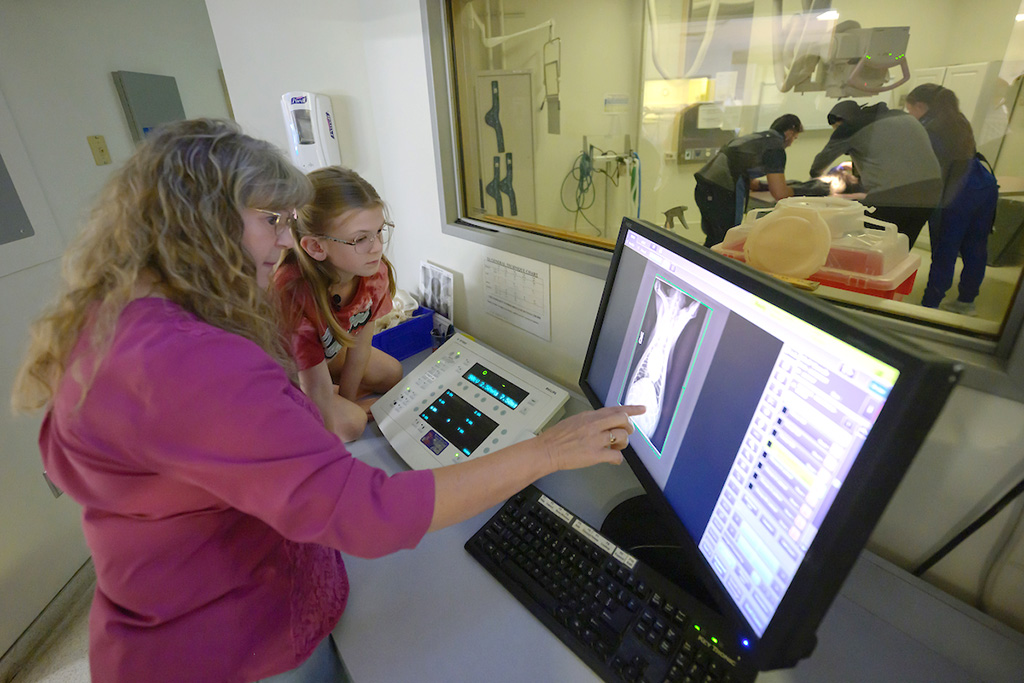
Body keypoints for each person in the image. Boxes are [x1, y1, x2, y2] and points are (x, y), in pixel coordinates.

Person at [10, 118, 642, 683]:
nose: (285, 242)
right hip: (231, 649)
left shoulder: (117, 321)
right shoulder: (188, 363)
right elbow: (366, 512)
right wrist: (546, 451)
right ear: (202, 222)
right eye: (273, 221)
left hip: (181, 608)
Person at [273, 167, 402, 442]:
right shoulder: (292, 294)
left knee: (393, 374)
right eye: (360, 239)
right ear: (316, 247)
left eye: (379, 231)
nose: (377, 247)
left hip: (322, 358)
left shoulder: (373, 272)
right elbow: (313, 382)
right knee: (352, 425)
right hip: (285, 375)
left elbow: (360, 346)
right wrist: (345, 412)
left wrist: (348, 398)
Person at [906, 84, 999, 315]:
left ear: (920, 106)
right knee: (976, 246)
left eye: (910, 110)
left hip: (955, 192)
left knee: (944, 249)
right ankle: (967, 302)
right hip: (982, 184)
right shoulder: (959, 120)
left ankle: (930, 305)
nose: (910, 115)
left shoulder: (928, 129)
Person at [809, 100, 942, 247]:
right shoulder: (902, 116)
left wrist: (816, 187)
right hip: (932, 192)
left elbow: (817, 168)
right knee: (900, 247)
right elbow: (894, 157)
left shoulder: (849, 127)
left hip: (894, 197)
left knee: (869, 245)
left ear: (842, 121)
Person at [693, 114, 804, 247]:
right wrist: (802, 190)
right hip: (723, 191)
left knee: (714, 239)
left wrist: (765, 186)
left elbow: (752, 183)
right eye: (795, 138)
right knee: (727, 241)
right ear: (789, 133)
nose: (791, 144)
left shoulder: (756, 139)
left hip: (704, 187)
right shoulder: (775, 147)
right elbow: (779, 193)